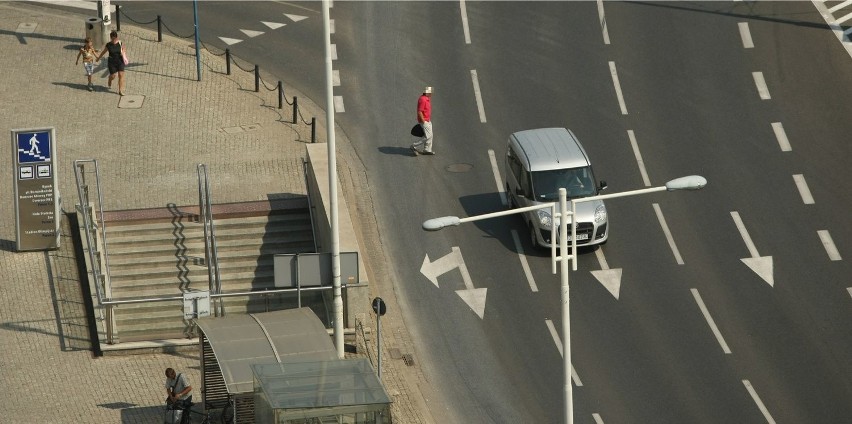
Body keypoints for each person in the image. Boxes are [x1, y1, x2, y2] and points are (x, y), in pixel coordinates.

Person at [96, 30, 127, 96]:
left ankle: (120, 90)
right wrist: (98, 58)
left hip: (120, 61)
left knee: (121, 75)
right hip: (112, 62)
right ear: (110, 38)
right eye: (112, 38)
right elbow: (103, 52)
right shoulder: (108, 45)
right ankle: (110, 79)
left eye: (115, 38)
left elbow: (124, 49)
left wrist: (123, 52)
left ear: (116, 37)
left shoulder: (120, 43)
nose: (113, 40)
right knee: (113, 76)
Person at [410, 86, 434, 155]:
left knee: (430, 135)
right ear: (427, 93)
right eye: (430, 93)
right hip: (424, 121)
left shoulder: (427, 99)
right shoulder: (423, 100)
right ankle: (414, 146)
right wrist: (423, 121)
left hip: (428, 120)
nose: (431, 94)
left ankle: (427, 149)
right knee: (428, 136)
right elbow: (420, 111)